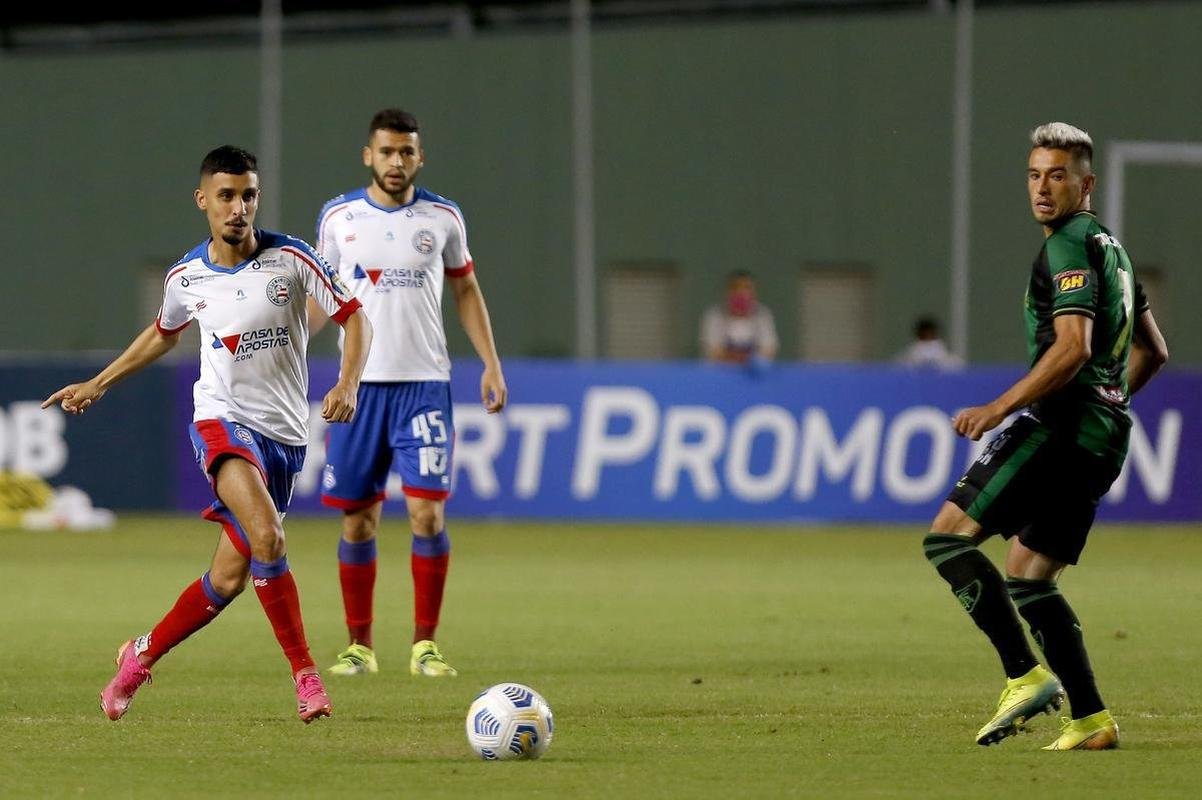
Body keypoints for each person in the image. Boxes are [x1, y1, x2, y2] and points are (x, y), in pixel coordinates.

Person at [42, 145, 372, 724]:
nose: (238, 207)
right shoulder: (187, 276)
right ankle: (306, 677)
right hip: (220, 422)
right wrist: (100, 382)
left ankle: (138, 657)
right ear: (203, 201)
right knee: (268, 537)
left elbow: (354, 316)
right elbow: (163, 333)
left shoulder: (293, 258)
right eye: (226, 195)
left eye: (248, 194)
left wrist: (348, 381)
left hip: (285, 438)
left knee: (228, 578)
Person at [921, 122, 1168, 751]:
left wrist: (999, 407)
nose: (1042, 187)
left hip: (1060, 428)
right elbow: (1154, 350)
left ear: (1086, 183)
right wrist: (1111, 404)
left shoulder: (1066, 246)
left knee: (948, 540)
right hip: (1104, 437)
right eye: (1033, 174)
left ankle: (1024, 675)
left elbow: (1073, 348)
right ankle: (1090, 720)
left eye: (1056, 175)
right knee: (1029, 575)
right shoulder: (1113, 250)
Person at [310, 108, 507, 679]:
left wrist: (490, 364)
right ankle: (359, 646)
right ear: (368, 155)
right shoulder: (339, 218)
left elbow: (466, 290)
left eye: (407, 152)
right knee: (358, 522)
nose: (396, 162)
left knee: (425, 515)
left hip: (424, 384)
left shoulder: (443, 218)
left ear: (420, 157)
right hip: (359, 389)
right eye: (386, 152)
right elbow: (322, 297)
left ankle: (425, 644)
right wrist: (286, 349)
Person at [699, 270, 779, 365]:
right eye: (735, 287)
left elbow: (769, 350)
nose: (740, 292)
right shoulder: (714, 315)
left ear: (754, 292)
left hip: (752, 376)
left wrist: (744, 360)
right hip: (720, 374)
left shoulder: (762, 315)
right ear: (727, 291)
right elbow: (713, 352)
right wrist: (746, 359)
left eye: (747, 287)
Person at [894, 315, 964, 369]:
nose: (928, 336)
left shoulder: (950, 360)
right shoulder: (907, 357)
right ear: (919, 334)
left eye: (930, 333)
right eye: (925, 334)